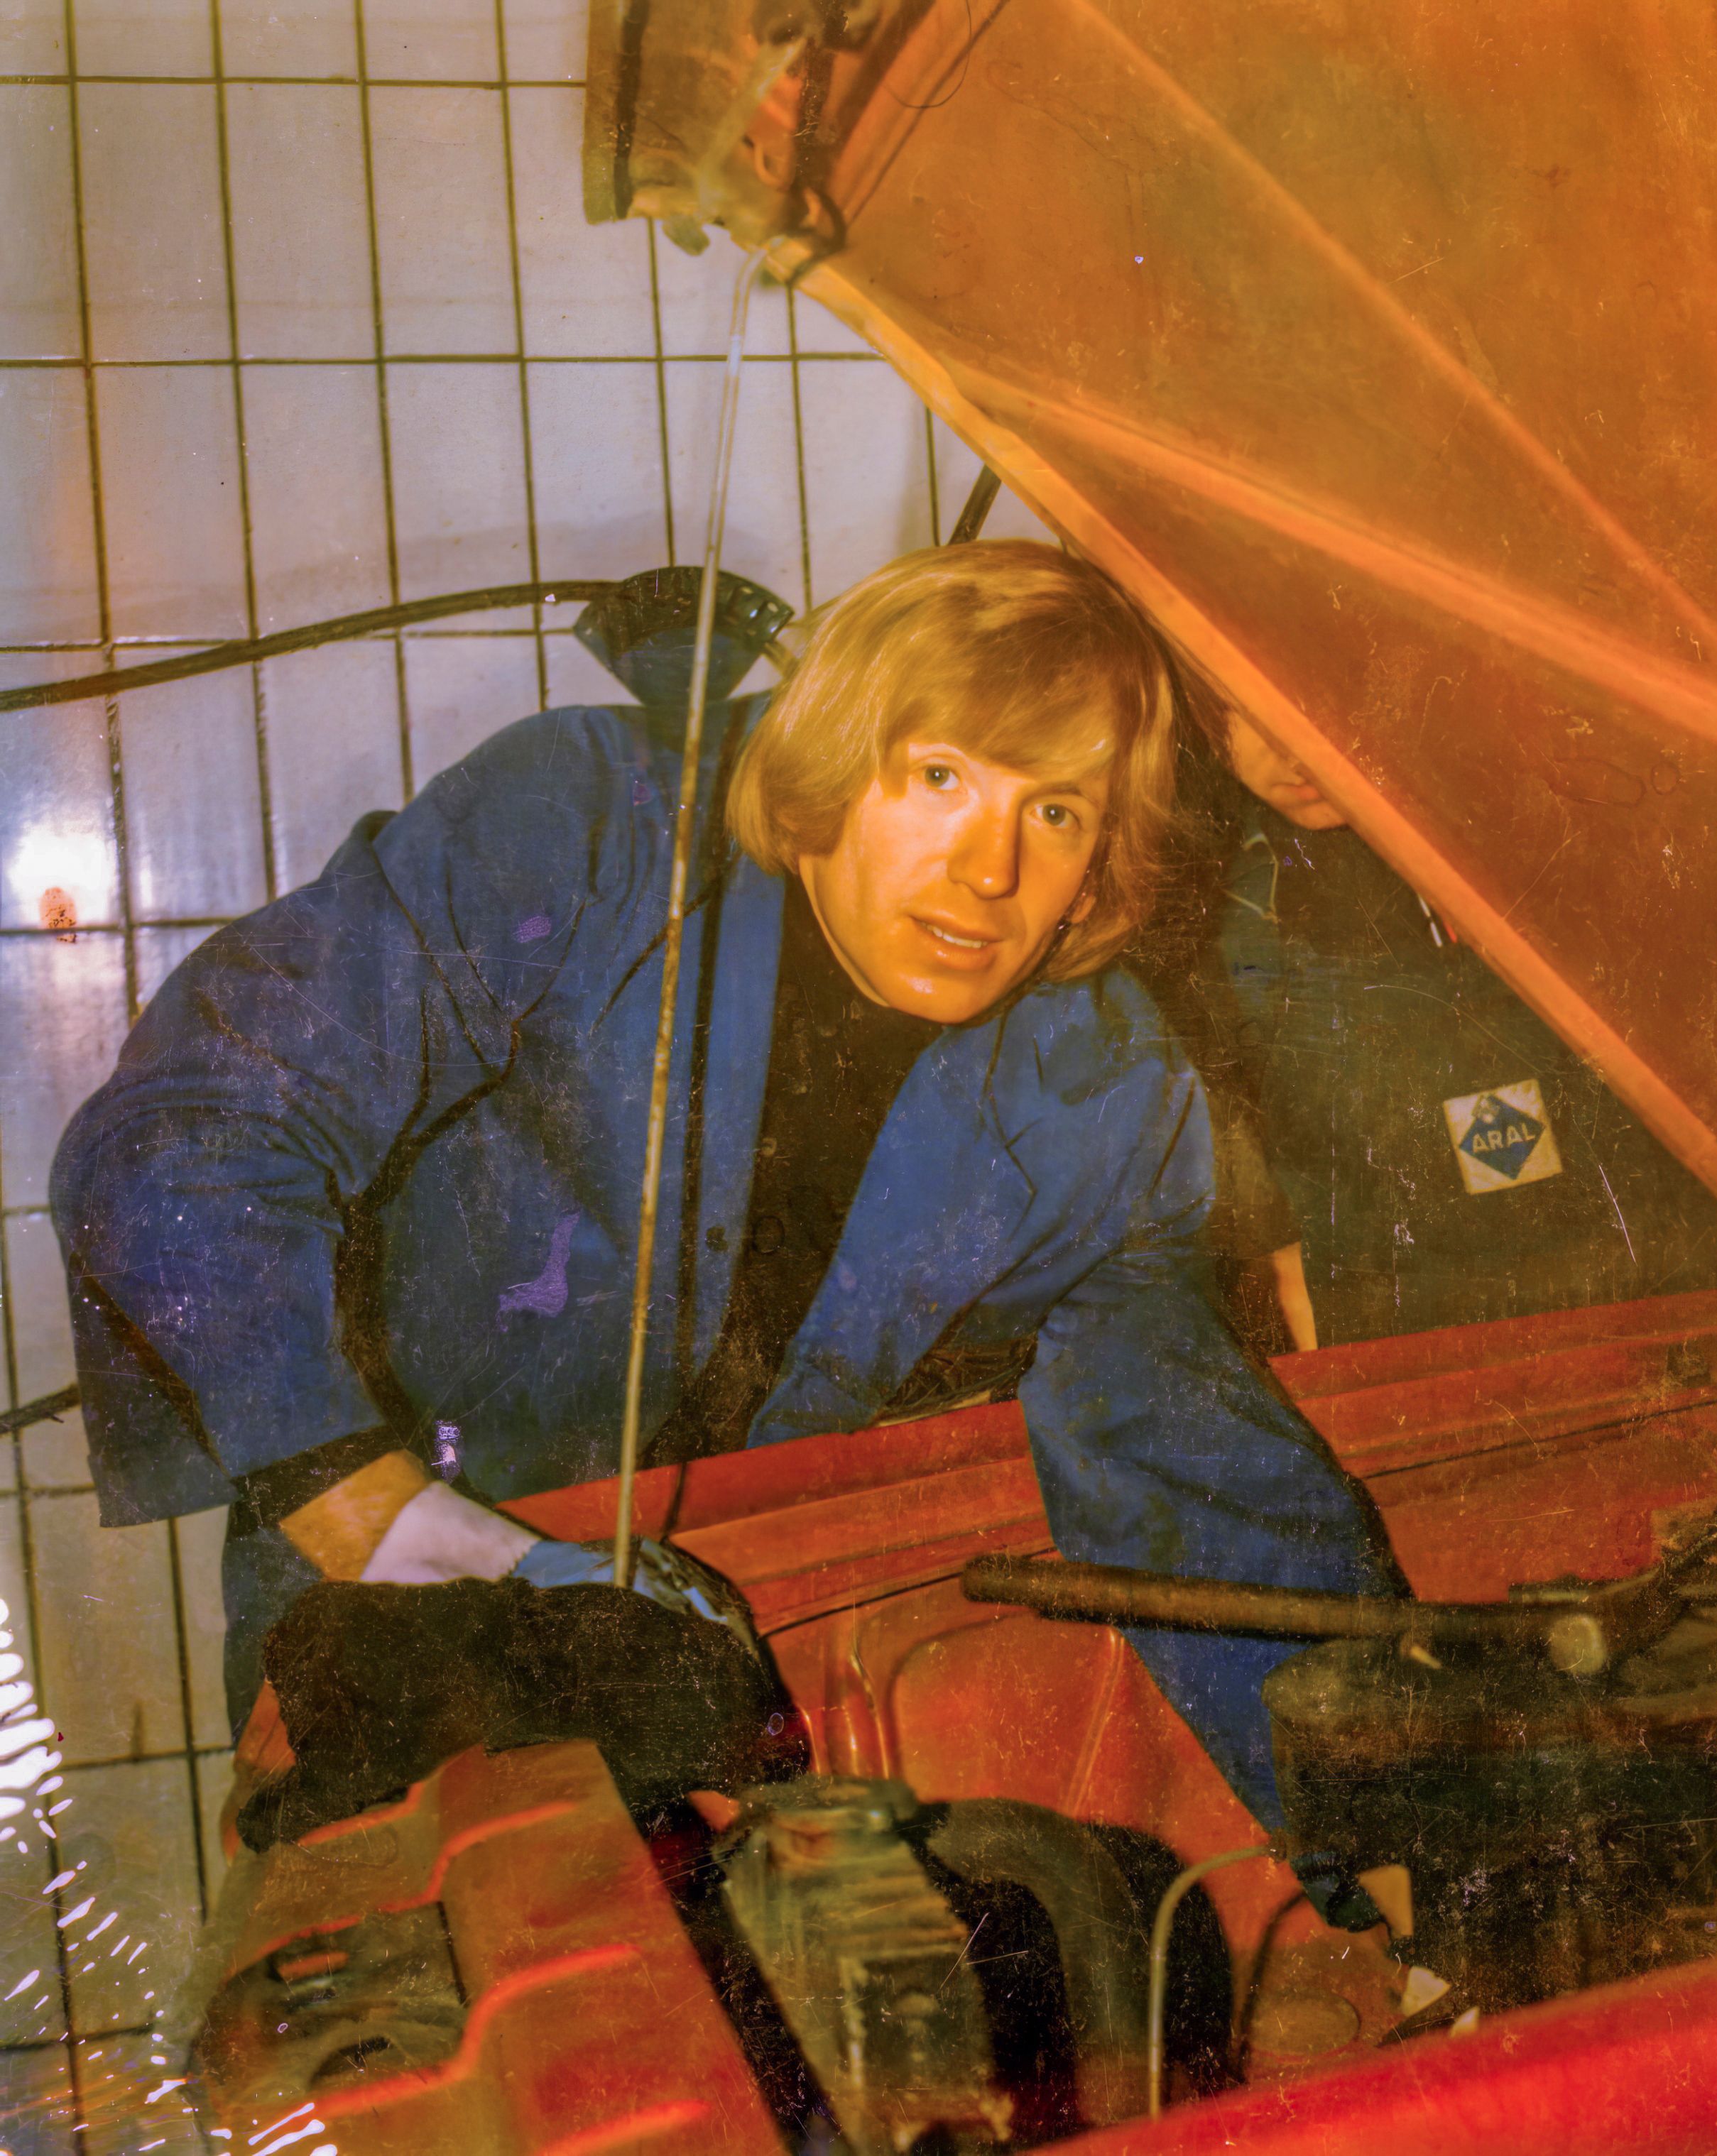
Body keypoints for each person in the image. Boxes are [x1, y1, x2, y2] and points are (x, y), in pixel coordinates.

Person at [50, 544, 1400, 1885]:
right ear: (830, 762)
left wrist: (1384, 1838)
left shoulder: (1101, 1083)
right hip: (392, 1593)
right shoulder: (582, 824)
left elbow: (1202, 1478)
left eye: (1055, 813)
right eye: (940, 777)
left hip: (716, 1639)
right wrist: (373, 1520)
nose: (990, 867)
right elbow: (180, 1135)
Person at [1142, 697, 1717, 1352]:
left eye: (1303, 703)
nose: (1291, 749)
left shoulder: (1568, 813)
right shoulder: (1223, 915)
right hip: (1431, 1341)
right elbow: (1287, 1259)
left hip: (1660, 1302)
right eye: (1243, 711)